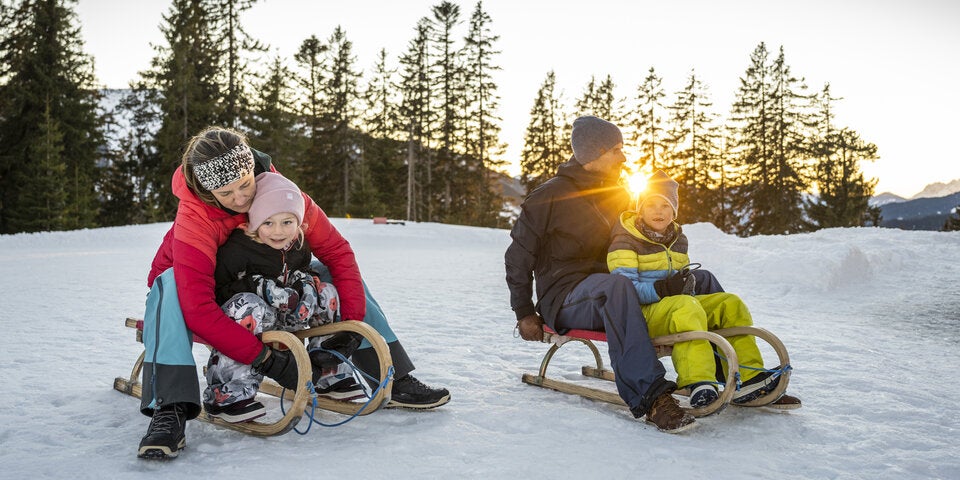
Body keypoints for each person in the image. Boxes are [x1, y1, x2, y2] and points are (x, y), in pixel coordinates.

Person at [138, 127, 449, 460]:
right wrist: (265, 359)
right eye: (226, 194)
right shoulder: (195, 215)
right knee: (168, 285)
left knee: (333, 273)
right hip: (201, 295)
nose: (241, 198)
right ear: (206, 189)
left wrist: (349, 325)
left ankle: (391, 376)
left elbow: (337, 251)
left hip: (261, 280)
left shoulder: (275, 188)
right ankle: (167, 407)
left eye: (245, 184)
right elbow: (197, 306)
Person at [505, 116, 696, 433]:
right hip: (566, 298)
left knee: (697, 280)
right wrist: (524, 311)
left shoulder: (619, 196)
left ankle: (731, 374)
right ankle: (651, 397)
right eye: (616, 150)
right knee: (617, 287)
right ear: (593, 153)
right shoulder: (546, 198)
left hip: (613, 290)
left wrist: (668, 279)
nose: (623, 157)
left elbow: (641, 242)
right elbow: (518, 257)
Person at [607, 170, 800, 409]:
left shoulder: (677, 239)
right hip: (641, 315)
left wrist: (683, 284)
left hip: (673, 306)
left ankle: (749, 378)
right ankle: (698, 381)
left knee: (729, 303)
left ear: (674, 211)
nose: (659, 211)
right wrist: (662, 289)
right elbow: (624, 292)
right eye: (651, 205)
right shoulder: (625, 241)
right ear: (640, 209)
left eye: (665, 205)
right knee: (686, 307)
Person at [204, 171, 365, 423]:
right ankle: (227, 393)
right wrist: (257, 286)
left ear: (298, 222)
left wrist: (306, 283)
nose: (278, 231)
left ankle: (328, 371)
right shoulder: (238, 249)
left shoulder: (298, 244)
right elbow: (217, 290)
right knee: (247, 305)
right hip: (249, 323)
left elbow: (304, 269)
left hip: (289, 315)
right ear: (255, 222)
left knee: (327, 294)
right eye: (268, 223)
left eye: (287, 222)